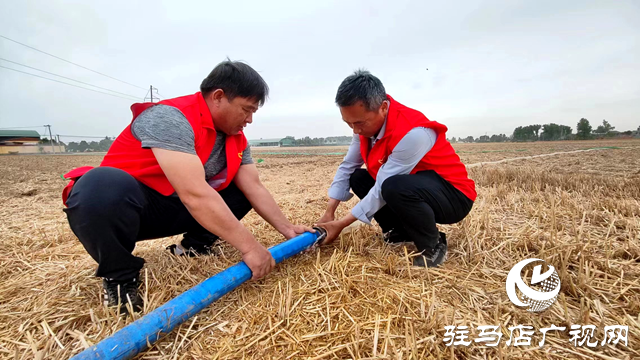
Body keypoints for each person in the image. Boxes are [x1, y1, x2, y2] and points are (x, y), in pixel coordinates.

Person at [62, 60, 313, 314]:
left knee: (241, 192)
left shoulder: (236, 138)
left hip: (175, 206)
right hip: (130, 208)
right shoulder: (171, 118)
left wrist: (288, 228)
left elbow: (254, 187)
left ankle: (192, 248)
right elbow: (194, 194)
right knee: (98, 185)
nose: (249, 120)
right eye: (246, 110)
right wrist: (251, 248)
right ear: (218, 97)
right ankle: (120, 278)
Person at [317, 70, 476, 267]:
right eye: (348, 123)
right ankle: (398, 231)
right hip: (412, 187)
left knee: (392, 185)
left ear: (383, 108)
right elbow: (349, 165)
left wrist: (340, 225)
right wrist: (329, 212)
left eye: (359, 123)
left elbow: (383, 185)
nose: (355, 130)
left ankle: (432, 244)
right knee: (358, 177)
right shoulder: (363, 128)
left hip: (453, 196)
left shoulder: (413, 132)